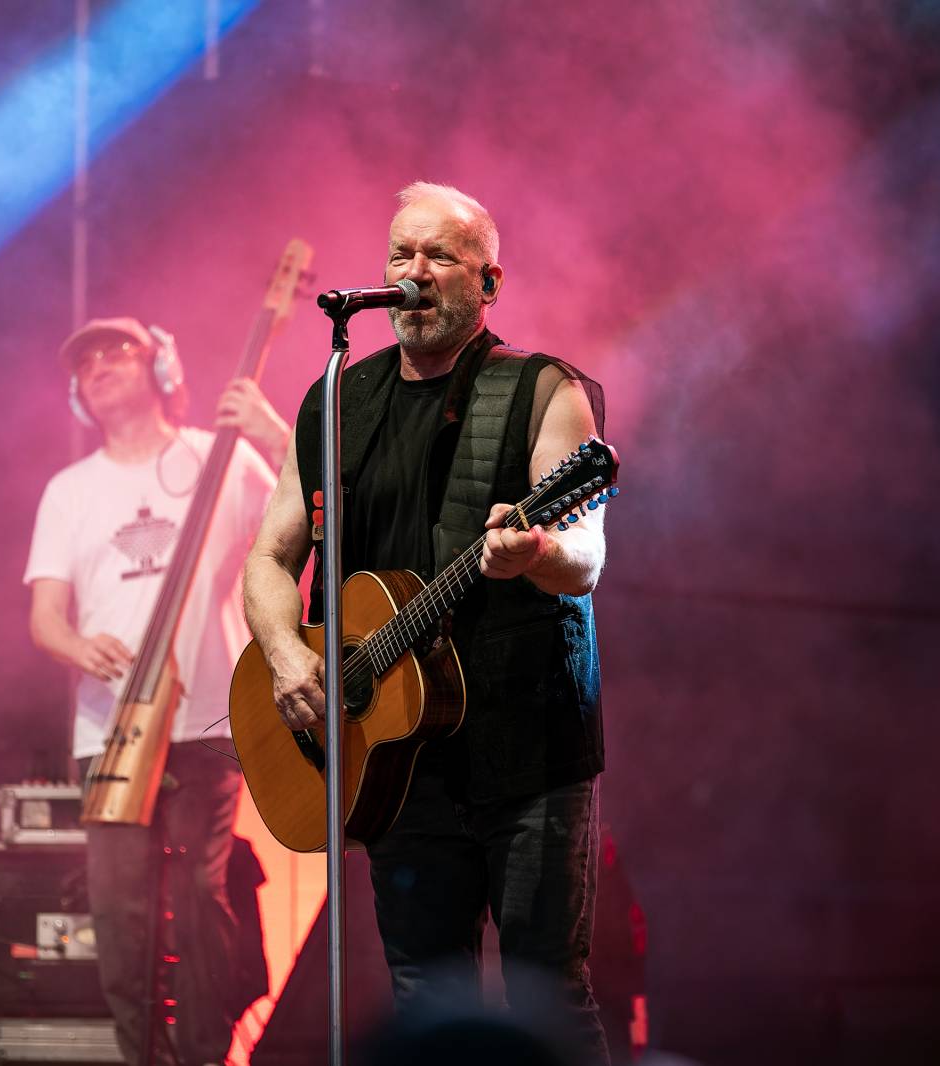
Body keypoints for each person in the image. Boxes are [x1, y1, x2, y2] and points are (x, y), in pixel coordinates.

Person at [242, 183, 612, 1062]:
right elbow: (266, 560)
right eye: (401, 256)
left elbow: (587, 554)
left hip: (527, 748)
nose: (415, 272)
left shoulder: (541, 390)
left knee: (546, 994)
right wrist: (287, 656)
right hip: (397, 763)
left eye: (439, 256)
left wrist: (535, 556)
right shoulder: (338, 399)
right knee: (423, 997)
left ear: (488, 282)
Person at [25, 316, 285, 1065]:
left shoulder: (220, 456)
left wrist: (269, 433)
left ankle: (204, 1057)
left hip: (205, 719)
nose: (98, 366)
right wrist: (79, 645)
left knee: (202, 898)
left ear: (163, 367)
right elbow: (45, 618)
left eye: (118, 351)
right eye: (85, 362)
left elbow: (309, 517)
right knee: (119, 910)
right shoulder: (69, 491)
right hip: (107, 731)